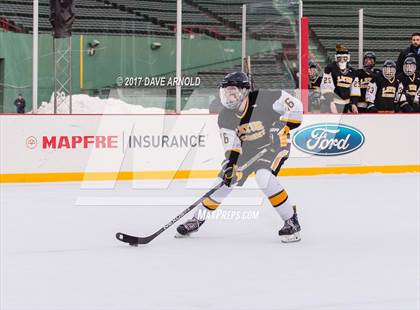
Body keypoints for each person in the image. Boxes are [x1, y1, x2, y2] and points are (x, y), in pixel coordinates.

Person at [176, 72, 303, 243]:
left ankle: (291, 220)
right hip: (248, 150)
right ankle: (197, 219)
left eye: (233, 91)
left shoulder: (265, 98)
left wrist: (283, 126)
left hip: (275, 145)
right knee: (225, 181)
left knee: (263, 177)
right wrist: (231, 165)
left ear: (244, 91)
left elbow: (296, 106)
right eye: (226, 91)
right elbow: (232, 147)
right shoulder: (225, 116)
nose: (229, 95)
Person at [320, 44, 360, 114]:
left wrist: (354, 103)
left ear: (348, 58)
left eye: (344, 58)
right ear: (336, 58)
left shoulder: (353, 72)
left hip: (345, 104)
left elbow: (355, 90)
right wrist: (331, 103)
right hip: (330, 103)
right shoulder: (330, 69)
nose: (342, 60)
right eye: (339, 58)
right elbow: (326, 87)